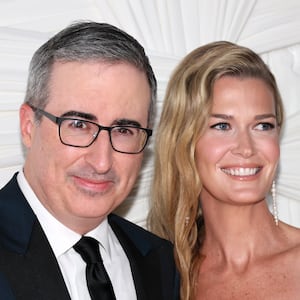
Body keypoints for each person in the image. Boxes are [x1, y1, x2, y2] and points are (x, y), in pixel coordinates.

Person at [0, 21, 179, 300]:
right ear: (28, 126)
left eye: (123, 131)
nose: (102, 161)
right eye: (79, 125)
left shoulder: (160, 261)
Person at [148, 41, 300, 299]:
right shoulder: (161, 279)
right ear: (184, 141)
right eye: (221, 126)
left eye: (263, 126)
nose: (246, 148)